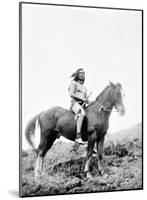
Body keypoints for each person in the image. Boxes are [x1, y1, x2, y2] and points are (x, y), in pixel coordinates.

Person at [68, 68, 90, 144]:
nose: (82, 74)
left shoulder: (85, 88)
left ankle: (87, 138)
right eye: (80, 73)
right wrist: (83, 99)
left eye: (83, 73)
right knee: (82, 113)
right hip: (75, 104)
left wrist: (89, 101)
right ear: (77, 75)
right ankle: (77, 136)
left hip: (83, 105)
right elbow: (71, 94)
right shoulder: (73, 83)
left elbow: (85, 99)